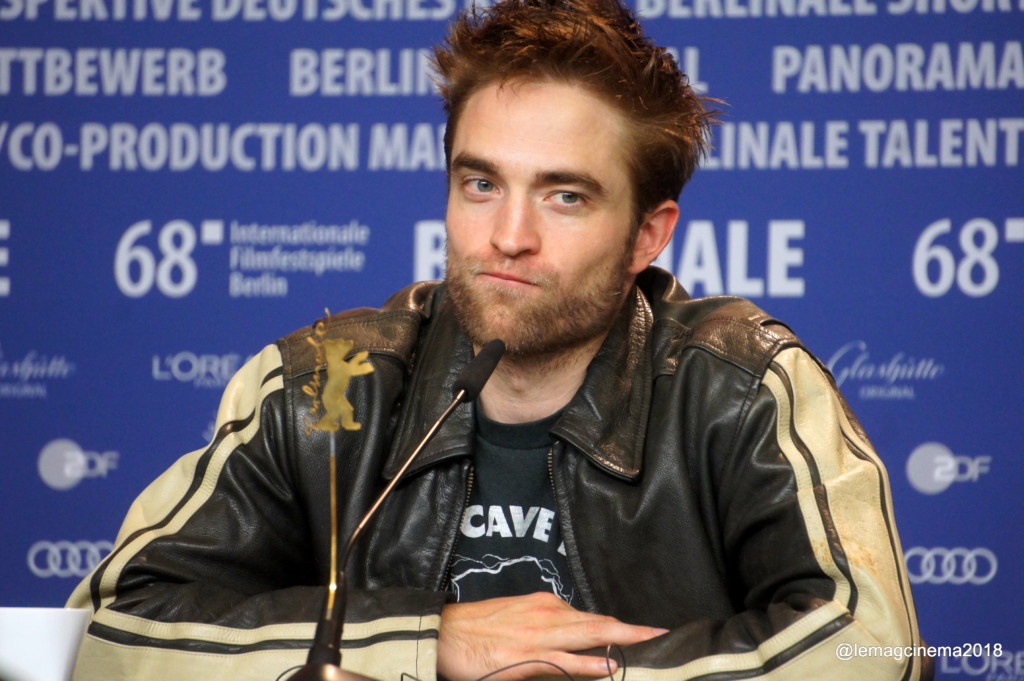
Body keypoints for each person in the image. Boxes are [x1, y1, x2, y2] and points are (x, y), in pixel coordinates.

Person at [67, 0, 929, 679]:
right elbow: (104, 632)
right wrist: (423, 640)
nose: (508, 236)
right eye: (480, 184)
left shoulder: (739, 388)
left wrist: (588, 673)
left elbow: (875, 647)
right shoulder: (327, 385)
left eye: (565, 196)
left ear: (648, 234)